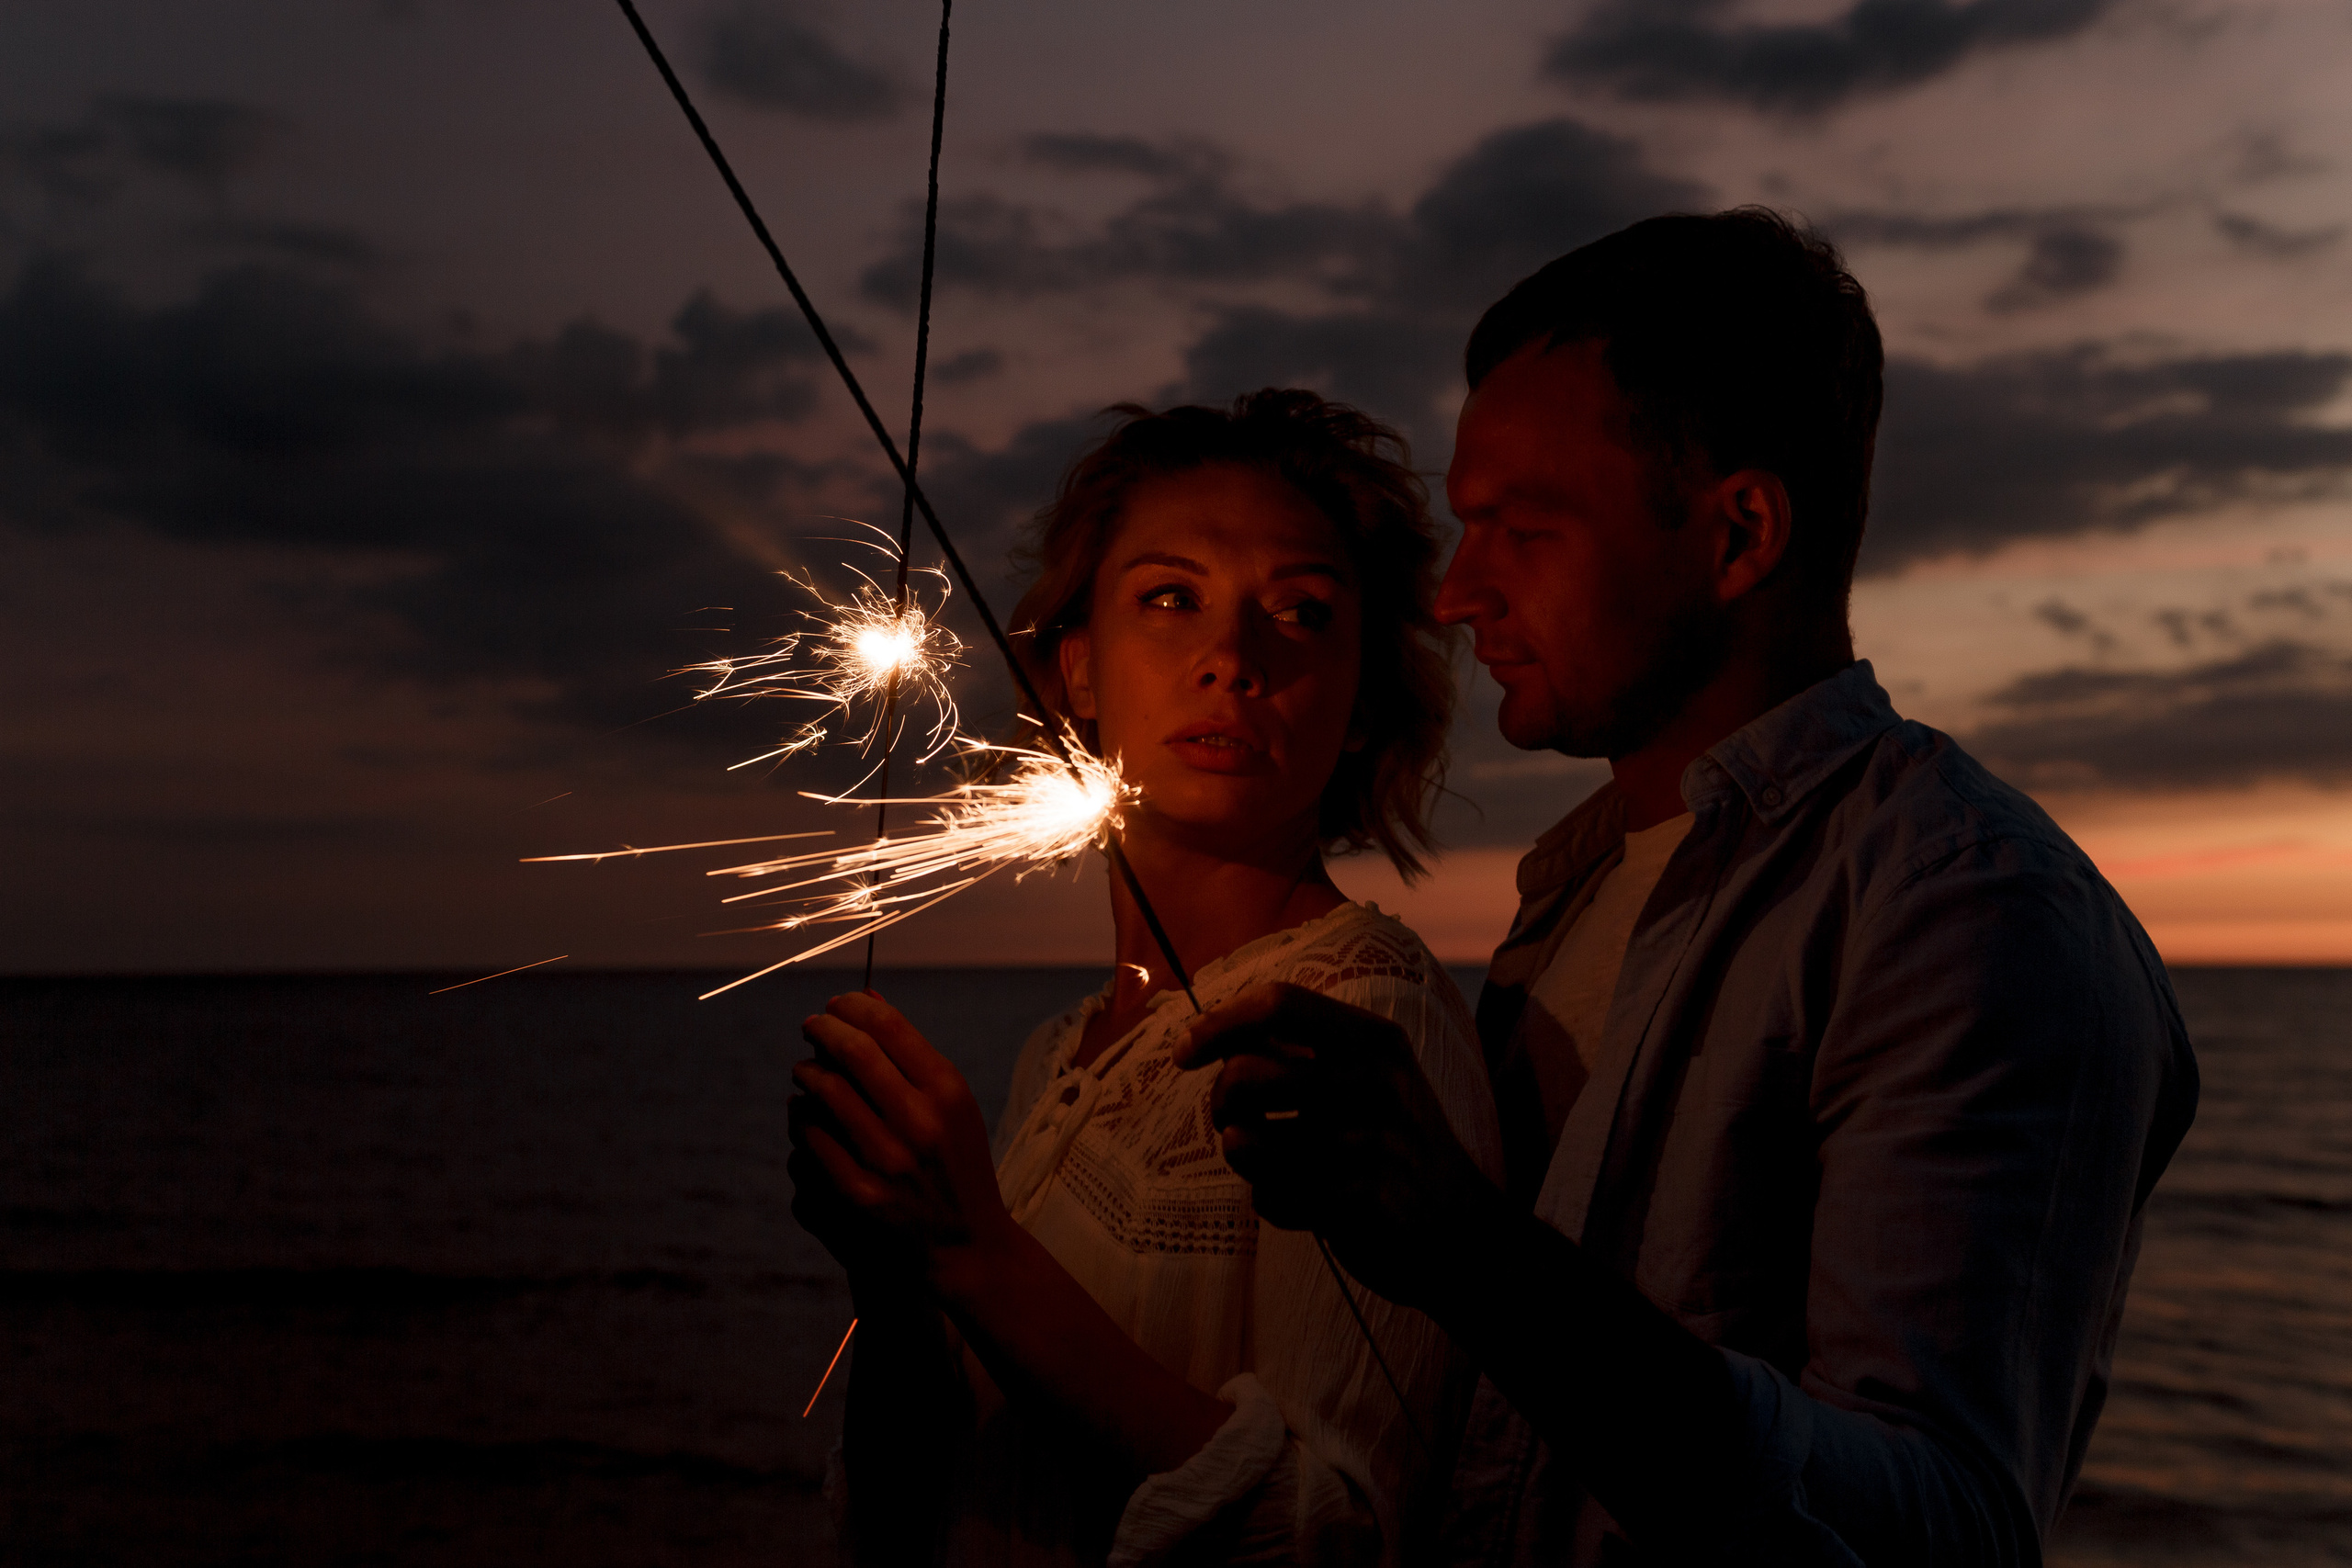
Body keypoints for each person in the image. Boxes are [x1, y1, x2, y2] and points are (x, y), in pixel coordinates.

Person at [1177, 210, 2200, 1565]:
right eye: (1461, 527)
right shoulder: (1580, 884)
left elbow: (1945, 1525)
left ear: (1739, 534)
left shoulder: (1975, 912)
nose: (1457, 592)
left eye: (1520, 530)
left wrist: (1471, 1249)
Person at [786, 389, 1506, 1566]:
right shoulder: (1058, 1052)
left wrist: (977, 1251)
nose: (1232, 659)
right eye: (1171, 599)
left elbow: (1343, 1536)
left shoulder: (1362, 1015)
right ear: (1076, 668)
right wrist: (902, 1277)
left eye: (1303, 613)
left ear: (1363, 702)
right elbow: (929, 1496)